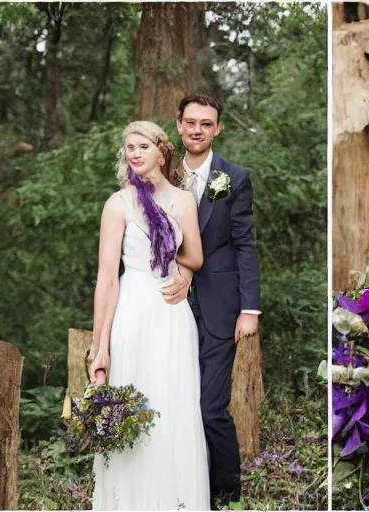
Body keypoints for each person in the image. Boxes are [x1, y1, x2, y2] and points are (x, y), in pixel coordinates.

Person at [88, 120, 209, 510]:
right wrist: (100, 347)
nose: (134, 153)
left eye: (142, 146)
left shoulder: (183, 200)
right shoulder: (118, 204)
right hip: (134, 315)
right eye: (129, 147)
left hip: (172, 317)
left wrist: (184, 274)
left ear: (162, 151)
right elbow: (107, 279)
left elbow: (195, 256)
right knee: (132, 408)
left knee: (174, 411)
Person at [161, 92, 262, 508]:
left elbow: (244, 244)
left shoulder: (231, 178)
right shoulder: (161, 175)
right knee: (174, 400)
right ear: (179, 125)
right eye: (190, 122)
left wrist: (249, 308)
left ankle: (225, 495)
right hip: (169, 303)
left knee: (209, 407)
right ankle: (183, 489)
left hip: (220, 306)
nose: (197, 130)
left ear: (217, 128)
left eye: (206, 123)